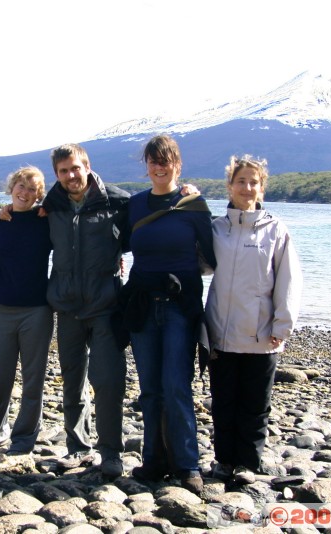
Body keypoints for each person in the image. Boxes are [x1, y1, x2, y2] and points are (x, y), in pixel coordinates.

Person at [120, 134, 216, 494]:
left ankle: (187, 465)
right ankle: (153, 461)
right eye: (153, 161)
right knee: (150, 390)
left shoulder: (193, 205)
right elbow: (109, 234)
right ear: (146, 166)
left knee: (176, 386)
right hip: (143, 305)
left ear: (178, 164)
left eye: (166, 161)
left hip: (180, 307)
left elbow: (216, 255)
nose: (160, 167)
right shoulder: (134, 205)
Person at [204, 155, 302, 484]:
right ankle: (223, 460)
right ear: (230, 186)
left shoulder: (276, 230)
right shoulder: (217, 228)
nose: (247, 187)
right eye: (241, 181)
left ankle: (247, 462)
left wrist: (282, 324)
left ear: (262, 188)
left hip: (261, 333)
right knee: (223, 402)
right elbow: (198, 265)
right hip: (221, 330)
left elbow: (289, 279)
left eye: (254, 182)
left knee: (255, 405)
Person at [41, 143, 130, 478]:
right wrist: (6, 211)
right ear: (57, 174)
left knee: (107, 381)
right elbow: (23, 223)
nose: (70, 176)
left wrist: (185, 194)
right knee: (72, 381)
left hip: (105, 307)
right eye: (63, 171)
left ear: (87, 166)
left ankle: (111, 452)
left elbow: (148, 228)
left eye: (75, 168)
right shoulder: (52, 205)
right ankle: (78, 448)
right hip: (67, 307)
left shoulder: (118, 202)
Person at [0, 167, 54, 455]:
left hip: (37, 310)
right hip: (3, 308)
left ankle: (24, 439)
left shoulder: (46, 221)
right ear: (11, 188)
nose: (25, 192)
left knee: (33, 380)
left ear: (39, 194)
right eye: (20, 186)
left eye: (32, 189)